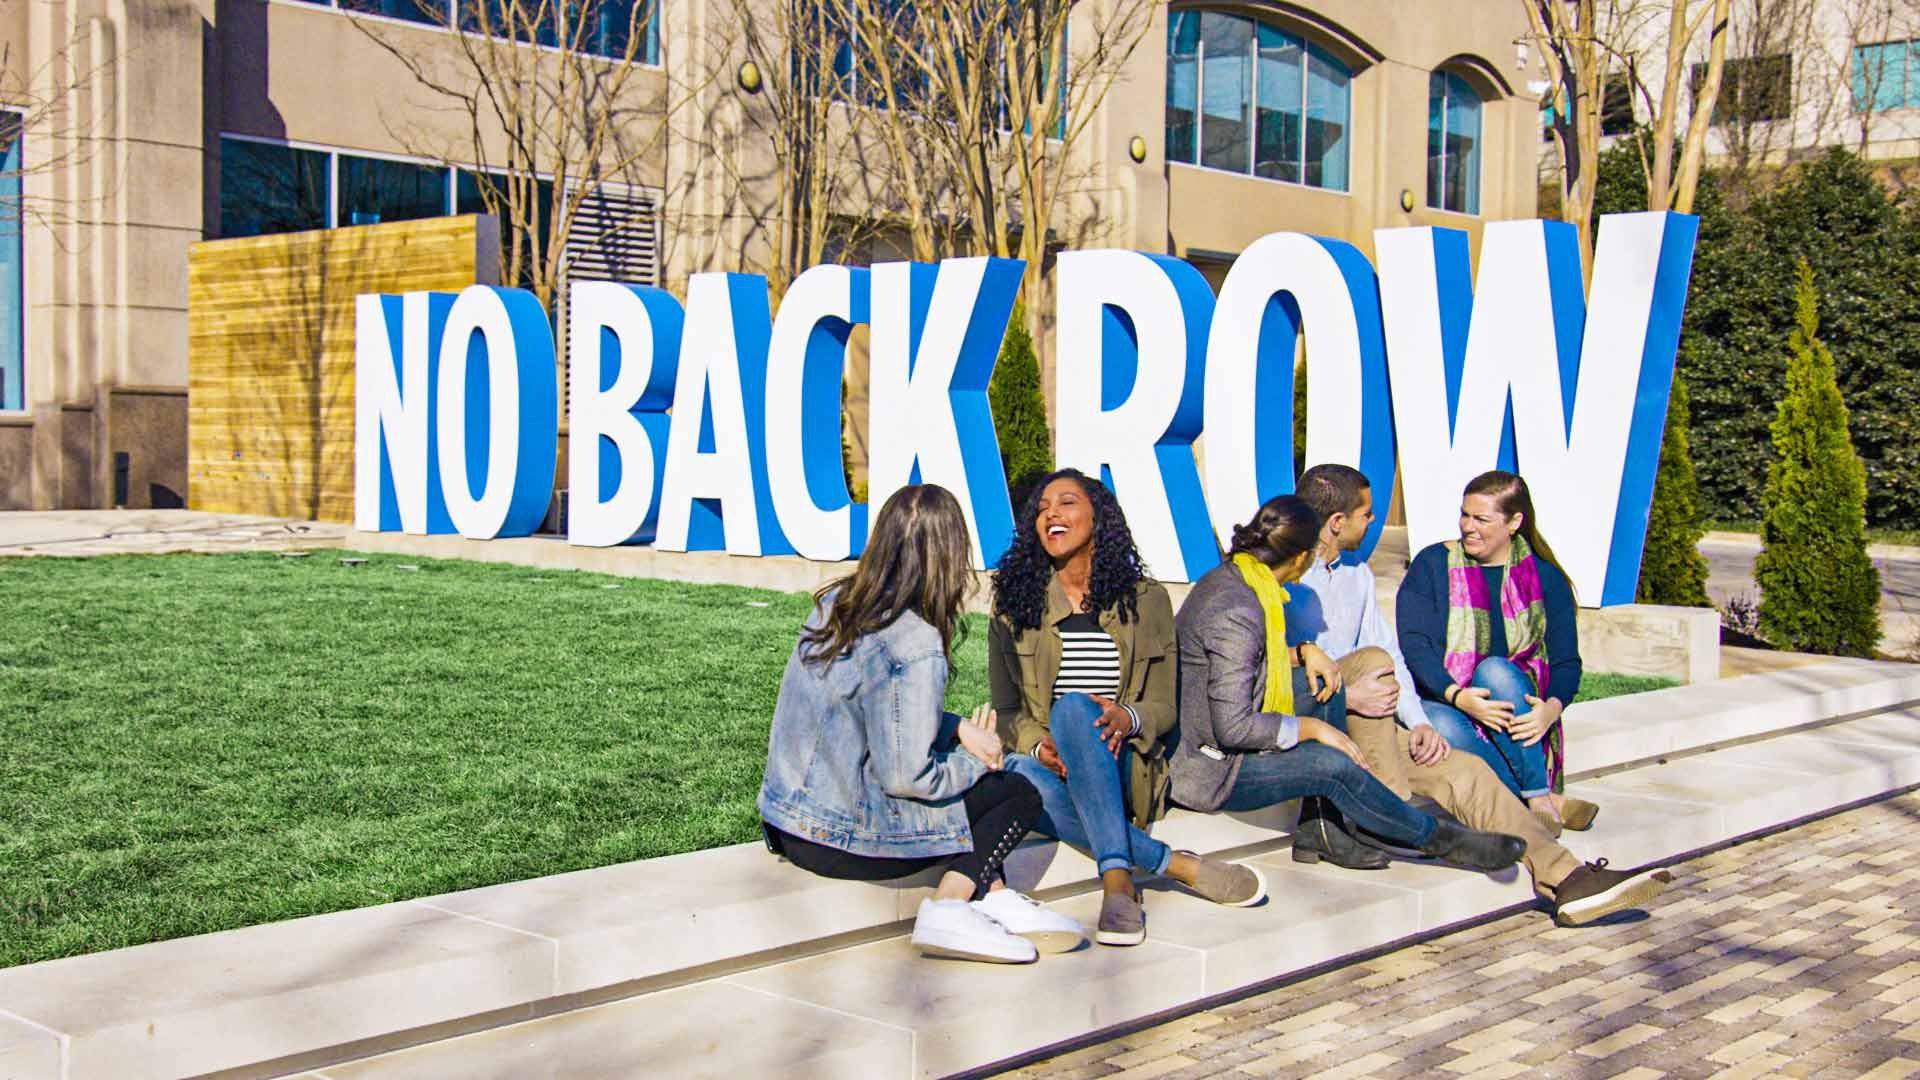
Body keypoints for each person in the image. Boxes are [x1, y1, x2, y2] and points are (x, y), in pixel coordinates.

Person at [1291, 463, 1671, 925]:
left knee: (1464, 768)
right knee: (1372, 662)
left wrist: (1420, 723)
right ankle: (1386, 813)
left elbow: (1394, 656)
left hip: (1377, 721)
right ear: (1337, 522)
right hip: (1319, 719)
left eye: (1481, 518)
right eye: (1367, 514)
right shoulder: (1283, 579)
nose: (1374, 522)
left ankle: (1569, 879)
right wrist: (1346, 699)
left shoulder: (1358, 576)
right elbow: (1266, 675)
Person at [758, 484, 1083, 964]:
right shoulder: (915, 642)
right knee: (1014, 794)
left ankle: (992, 896)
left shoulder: (839, 604)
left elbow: (871, 713)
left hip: (787, 822)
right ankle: (950, 909)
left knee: (963, 775)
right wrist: (979, 763)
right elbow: (908, 777)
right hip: (840, 840)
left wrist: (956, 729)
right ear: (949, 556)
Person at [1171, 494, 1528, 877]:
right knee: (1331, 764)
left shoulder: (1244, 580)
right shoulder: (1237, 610)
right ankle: (1436, 838)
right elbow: (1233, 726)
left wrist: (1306, 651)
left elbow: (1242, 664)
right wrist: (1314, 728)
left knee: (1328, 682)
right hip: (1213, 766)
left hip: (1228, 736)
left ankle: (1322, 830)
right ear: (1299, 558)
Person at [987, 469, 1267, 948]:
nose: (1050, 513)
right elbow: (1009, 711)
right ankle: (1165, 867)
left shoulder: (1146, 600)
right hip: (1048, 770)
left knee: (1077, 711)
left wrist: (1126, 717)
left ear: (1099, 517)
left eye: (1067, 502)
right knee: (1018, 773)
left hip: (1120, 763)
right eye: (1041, 508)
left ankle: (1118, 880)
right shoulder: (1015, 607)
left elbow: (1163, 705)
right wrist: (1040, 747)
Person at [1397, 470, 1600, 835]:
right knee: (1438, 723)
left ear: (1514, 522)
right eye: (1464, 515)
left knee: (1495, 670)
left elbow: (1567, 662)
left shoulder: (1545, 578)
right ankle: (1541, 801)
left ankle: (1535, 797)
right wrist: (1458, 697)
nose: (1467, 527)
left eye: (1481, 519)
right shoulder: (1432, 565)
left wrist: (1550, 710)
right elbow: (1415, 645)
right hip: (1451, 703)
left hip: (1514, 711)